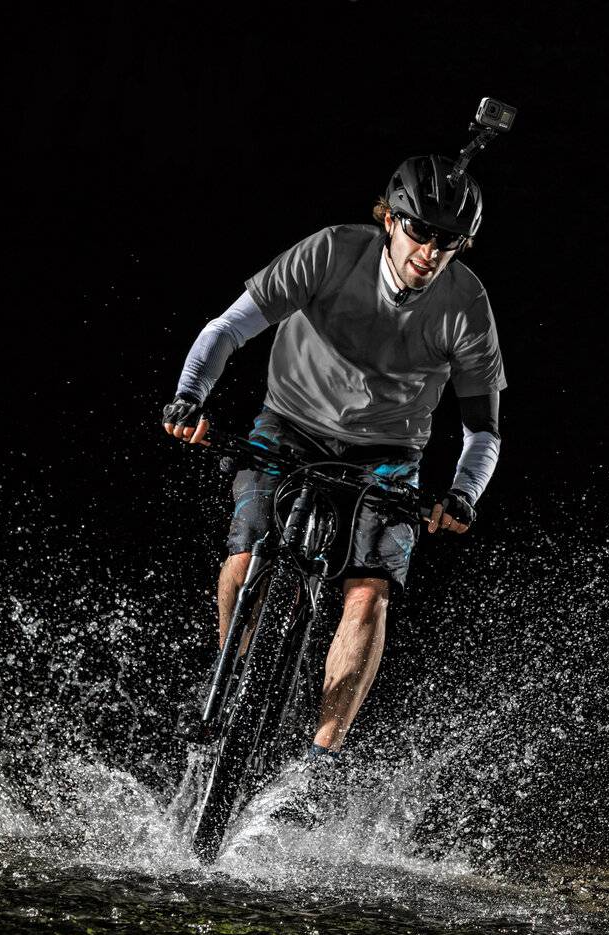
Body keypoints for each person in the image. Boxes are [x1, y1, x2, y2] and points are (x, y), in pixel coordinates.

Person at [162, 154, 505, 763]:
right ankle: (229, 683)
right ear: (389, 219)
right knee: (244, 556)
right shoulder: (330, 252)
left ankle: (322, 759)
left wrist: (462, 495)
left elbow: (483, 430)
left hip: (389, 452)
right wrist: (190, 396)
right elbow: (227, 329)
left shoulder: (466, 304)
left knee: (368, 592)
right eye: (419, 231)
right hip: (290, 425)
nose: (430, 251)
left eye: (448, 241)